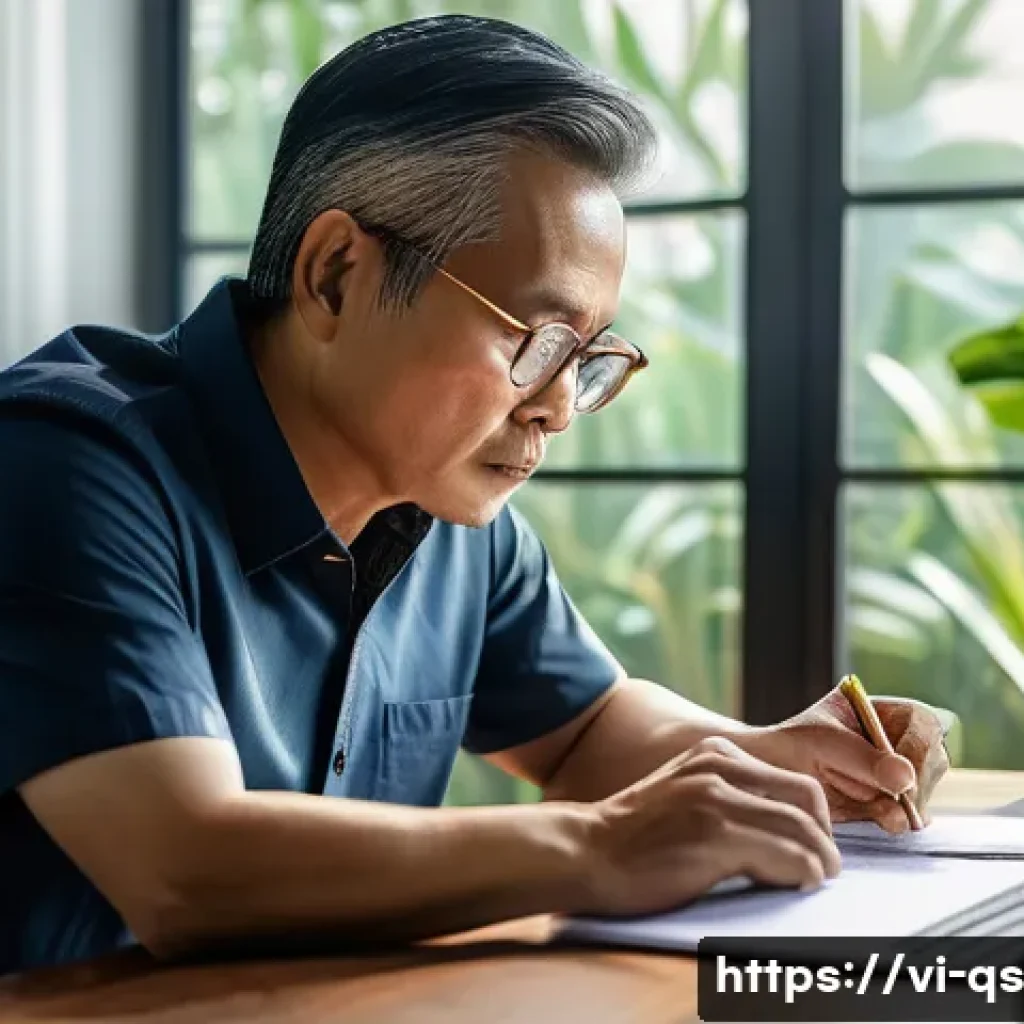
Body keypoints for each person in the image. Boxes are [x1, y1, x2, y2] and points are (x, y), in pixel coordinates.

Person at [0, 15, 948, 976]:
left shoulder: (447, 508)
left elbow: (588, 731)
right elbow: (185, 871)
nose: (557, 409)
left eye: (584, 359)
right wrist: (598, 848)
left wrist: (772, 762)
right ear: (335, 276)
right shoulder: (66, 464)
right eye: (535, 341)